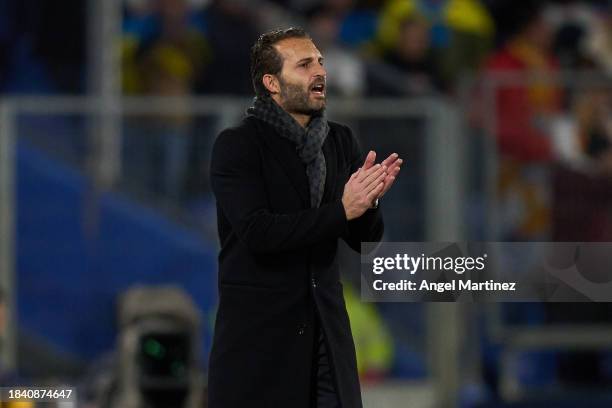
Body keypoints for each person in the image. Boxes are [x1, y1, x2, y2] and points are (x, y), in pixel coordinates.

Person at [207, 27, 402, 408]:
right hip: (261, 345)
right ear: (272, 83)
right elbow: (258, 232)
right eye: (304, 64)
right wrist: (342, 210)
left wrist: (369, 202)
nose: (319, 72)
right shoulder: (238, 146)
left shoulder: (340, 141)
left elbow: (364, 240)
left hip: (327, 337)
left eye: (320, 62)